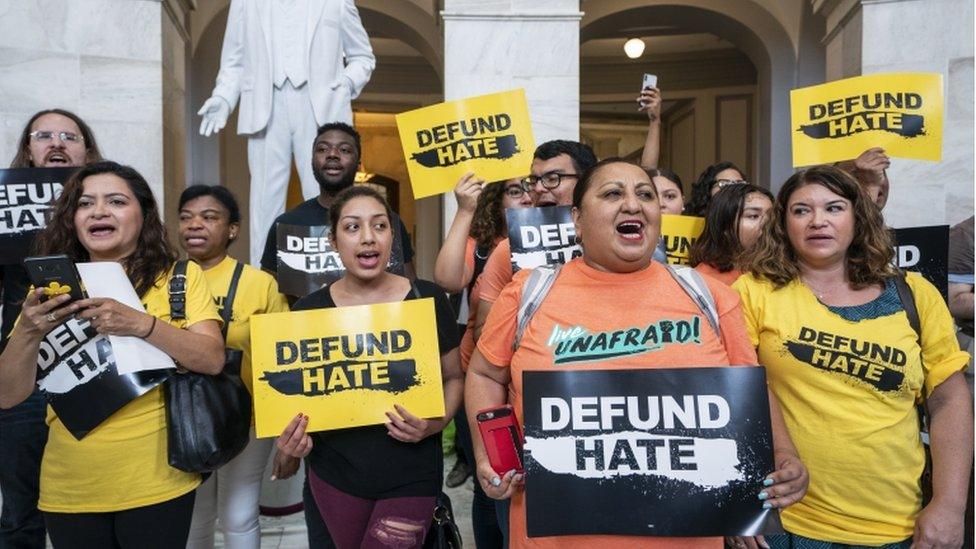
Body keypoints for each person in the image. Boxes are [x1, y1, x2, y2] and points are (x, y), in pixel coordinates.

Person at [466, 158, 807, 549]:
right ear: (576, 218)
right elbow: (484, 375)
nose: (633, 204)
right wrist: (488, 457)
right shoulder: (528, 291)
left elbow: (749, 388)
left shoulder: (709, 295)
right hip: (556, 535)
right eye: (613, 193)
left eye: (645, 194)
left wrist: (783, 454)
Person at [734, 165, 972, 548]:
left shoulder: (915, 293)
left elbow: (948, 399)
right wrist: (739, 503)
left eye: (834, 208)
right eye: (801, 210)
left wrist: (949, 505)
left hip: (897, 527)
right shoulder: (754, 291)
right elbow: (737, 391)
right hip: (790, 523)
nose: (818, 221)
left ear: (857, 217)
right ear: (783, 223)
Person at [0, 161, 225, 548]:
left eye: (116, 201)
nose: (99, 211)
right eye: (85, 204)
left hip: (157, 482)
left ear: (143, 214)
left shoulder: (179, 277)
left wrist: (141, 324)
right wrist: (27, 330)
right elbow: (8, 395)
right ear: (72, 219)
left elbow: (211, 359)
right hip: (68, 487)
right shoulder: (49, 292)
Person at [273, 186, 462, 548]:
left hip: (412, 473)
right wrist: (289, 445)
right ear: (333, 240)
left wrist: (433, 425)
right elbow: (293, 402)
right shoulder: (307, 311)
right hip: (334, 474)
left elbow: (453, 377)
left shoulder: (427, 298)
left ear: (393, 235)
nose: (367, 238)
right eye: (352, 227)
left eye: (379, 226)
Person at [198, 0, 376, 264]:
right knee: (264, 201)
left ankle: (332, 268)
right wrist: (223, 98)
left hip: (319, 107)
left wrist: (344, 84)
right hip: (266, 106)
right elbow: (234, 62)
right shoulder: (245, 3)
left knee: (324, 195)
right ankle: (263, 276)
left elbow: (363, 57)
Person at [1, 108, 102, 549]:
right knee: (22, 511)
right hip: (25, 372)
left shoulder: (109, 203)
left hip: (95, 366)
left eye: (69, 136)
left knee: (95, 502)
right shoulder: (5, 211)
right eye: (44, 135)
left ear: (87, 151)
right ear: (28, 150)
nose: (57, 142)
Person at [178, 185, 290, 549]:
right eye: (186, 217)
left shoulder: (260, 284)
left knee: (239, 515)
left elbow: (282, 357)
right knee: (195, 516)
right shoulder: (165, 280)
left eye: (209, 217)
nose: (195, 225)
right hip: (181, 415)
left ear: (232, 229)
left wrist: (283, 422)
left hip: (248, 416)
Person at [433, 175, 532, 547]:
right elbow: (446, 278)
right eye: (514, 189)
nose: (525, 196)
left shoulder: (565, 240)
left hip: (532, 381)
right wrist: (464, 211)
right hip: (484, 378)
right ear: (498, 198)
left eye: (530, 188)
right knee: (490, 481)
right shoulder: (483, 246)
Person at [473, 140, 598, 342]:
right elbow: (482, 331)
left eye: (552, 178)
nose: (538, 188)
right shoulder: (513, 248)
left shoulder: (616, 241)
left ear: (587, 181)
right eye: (534, 179)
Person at [689, 183, 773, 286]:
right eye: (753, 216)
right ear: (725, 226)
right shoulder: (701, 280)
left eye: (772, 216)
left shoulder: (781, 273)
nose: (767, 223)